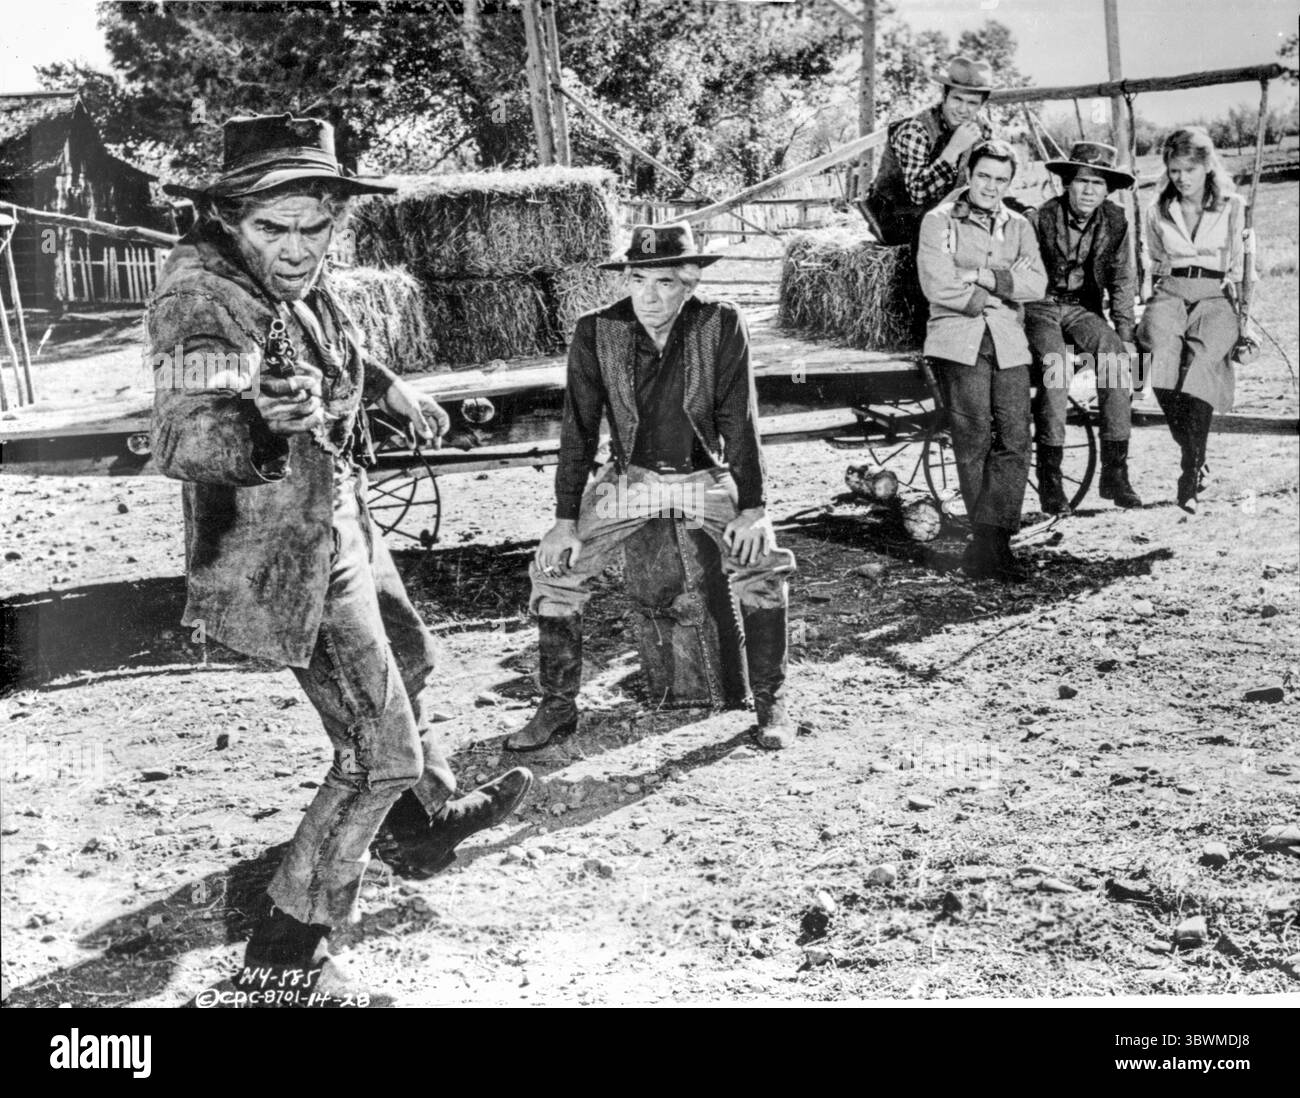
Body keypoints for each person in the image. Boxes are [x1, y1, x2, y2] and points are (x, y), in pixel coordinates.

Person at [150, 114, 532, 1004]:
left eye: (313, 227)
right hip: (280, 544)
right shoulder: (197, 297)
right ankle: (286, 954)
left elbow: (340, 347)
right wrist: (260, 427)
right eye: (270, 229)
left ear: (335, 216)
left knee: (408, 660)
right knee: (375, 751)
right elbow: (182, 432)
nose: (294, 248)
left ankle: (423, 827)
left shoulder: (302, 279)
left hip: (340, 510)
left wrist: (396, 393)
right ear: (231, 220)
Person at [505, 223, 799, 754]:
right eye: (639, 280)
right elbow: (578, 429)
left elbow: (741, 420)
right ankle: (557, 706)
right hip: (632, 479)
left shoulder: (720, 322)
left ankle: (770, 700)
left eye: (664, 283)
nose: (649, 295)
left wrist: (753, 507)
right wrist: (565, 519)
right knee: (555, 571)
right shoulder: (597, 330)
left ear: (688, 284)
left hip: (704, 477)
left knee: (763, 562)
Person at [916, 140, 1048, 582]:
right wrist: (993, 293)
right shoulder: (938, 223)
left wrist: (983, 276)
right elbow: (938, 284)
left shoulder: (1019, 226)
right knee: (973, 438)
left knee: (1014, 435)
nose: (991, 186)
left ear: (1010, 183)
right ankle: (987, 545)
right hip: (959, 338)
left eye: (1001, 179)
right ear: (968, 175)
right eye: (984, 176)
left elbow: (1036, 283)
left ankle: (995, 541)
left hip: (1008, 340)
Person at [1137, 126, 1251, 513]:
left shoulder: (1233, 205)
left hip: (1216, 294)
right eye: (1174, 170)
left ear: (1206, 166)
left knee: (1201, 366)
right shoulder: (1157, 210)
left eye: (1189, 169)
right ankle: (1195, 453)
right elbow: (1152, 259)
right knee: (1161, 365)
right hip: (1171, 290)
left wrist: (1245, 320)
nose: (1181, 178)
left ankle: (1190, 471)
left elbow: (1243, 266)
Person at [1026, 141, 1142, 512]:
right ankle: (1051, 481)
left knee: (1117, 360)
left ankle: (1115, 473)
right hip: (1041, 305)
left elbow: (1123, 280)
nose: (1089, 190)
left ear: (1108, 189)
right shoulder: (1039, 218)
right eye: (1081, 181)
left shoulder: (1116, 220)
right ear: (1066, 184)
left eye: (1098, 183)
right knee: (1056, 368)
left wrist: (1125, 334)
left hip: (1082, 309)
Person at [863, 55, 996, 248]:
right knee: (947, 240)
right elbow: (918, 194)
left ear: (982, 105)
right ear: (944, 96)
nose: (962, 109)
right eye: (957, 99)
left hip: (945, 210)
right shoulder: (915, 129)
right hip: (896, 217)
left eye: (972, 103)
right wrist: (953, 150)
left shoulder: (981, 128)